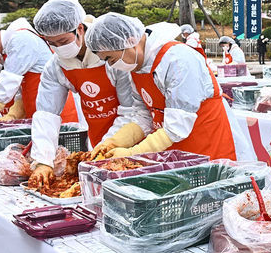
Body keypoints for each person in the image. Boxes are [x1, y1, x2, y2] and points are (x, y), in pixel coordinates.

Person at [85, 13, 253, 160]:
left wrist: (133, 153)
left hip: (212, 148)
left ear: (129, 41)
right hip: (178, 155)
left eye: (112, 59)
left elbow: (177, 126)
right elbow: (144, 115)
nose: (113, 66)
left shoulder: (178, 59)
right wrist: (114, 141)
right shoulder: (137, 66)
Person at [27, 0, 153, 186]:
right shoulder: (56, 66)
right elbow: (47, 113)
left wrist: (110, 144)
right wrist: (43, 160)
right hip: (96, 138)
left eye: (63, 41)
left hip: (130, 140)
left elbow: (133, 110)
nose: (58, 48)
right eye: (52, 44)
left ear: (79, 28)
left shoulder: (113, 53)